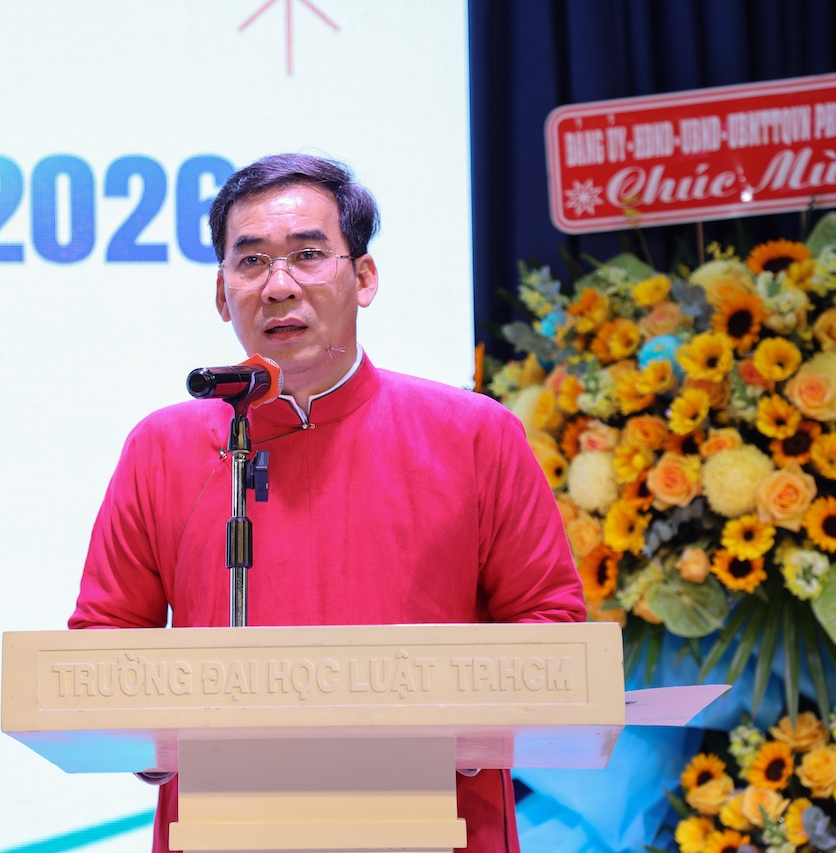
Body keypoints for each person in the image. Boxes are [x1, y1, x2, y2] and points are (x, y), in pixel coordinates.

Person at [69, 153, 585, 853]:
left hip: (441, 824)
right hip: (222, 827)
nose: (279, 286)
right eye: (251, 262)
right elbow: (104, 641)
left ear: (363, 277)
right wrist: (147, 740)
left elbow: (551, 626)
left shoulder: (474, 434)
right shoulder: (162, 447)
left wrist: (457, 728)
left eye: (308, 255)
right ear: (222, 292)